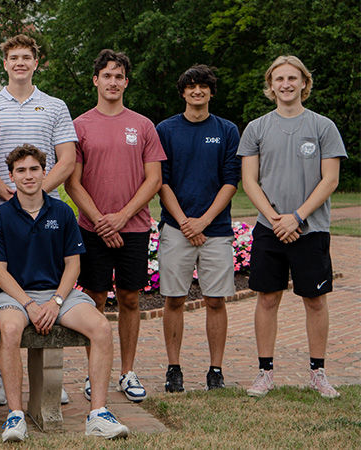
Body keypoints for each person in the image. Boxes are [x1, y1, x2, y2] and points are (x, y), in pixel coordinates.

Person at [0, 145, 128, 441]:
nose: (29, 176)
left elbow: (73, 265)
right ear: (11, 176)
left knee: (102, 328)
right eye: (21, 171)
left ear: (44, 172)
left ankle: (98, 414)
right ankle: (15, 417)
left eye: (34, 169)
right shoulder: (1, 216)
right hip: (15, 295)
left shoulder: (63, 211)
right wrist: (28, 304)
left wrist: (56, 302)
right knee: (11, 330)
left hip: (58, 293)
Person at [0, 35, 77, 405]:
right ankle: (3, 373)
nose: (20, 62)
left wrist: (35, 193)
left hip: (45, 211)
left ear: (37, 62)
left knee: (45, 285)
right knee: (1, 287)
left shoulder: (55, 106)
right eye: (13, 57)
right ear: (4, 63)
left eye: (26, 57)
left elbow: (66, 159)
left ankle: (48, 376)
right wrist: (10, 194)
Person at [238, 55, 346, 399]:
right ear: (270, 86)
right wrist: (275, 219)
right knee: (267, 299)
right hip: (270, 228)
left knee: (315, 300)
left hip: (310, 229)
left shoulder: (323, 126)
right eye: (279, 79)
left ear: (304, 83)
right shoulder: (256, 127)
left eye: (292, 78)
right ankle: (265, 373)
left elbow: (330, 180)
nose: (286, 84)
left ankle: (317, 372)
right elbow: (249, 181)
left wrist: (297, 217)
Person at [65, 49, 165, 403]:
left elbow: (153, 179)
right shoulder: (79, 125)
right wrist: (100, 221)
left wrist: (122, 217)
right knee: (93, 300)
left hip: (134, 228)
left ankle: (127, 371)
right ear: (96, 80)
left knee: (129, 298)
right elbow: (72, 182)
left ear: (126, 81)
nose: (112, 82)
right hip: (91, 230)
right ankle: (97, 374)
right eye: (106, 75)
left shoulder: (142, 125)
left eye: (119, 76)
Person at [155, 65, 240, 392]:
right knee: (174, 299)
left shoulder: (227, 130)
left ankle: (215, 371)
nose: (197, 91)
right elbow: (160, 180)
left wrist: (203, 221)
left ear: (211, 92)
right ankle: (173, 369)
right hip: (176, 228)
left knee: (216, 301)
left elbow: (231, 180)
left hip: (215, 230)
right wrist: (185, 222)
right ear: (183, 92)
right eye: (191, 86)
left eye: (203, 86)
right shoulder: (166, 130)